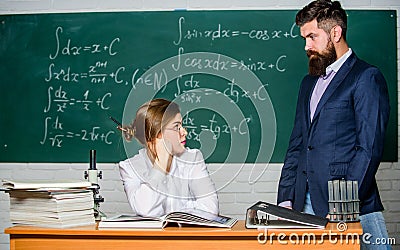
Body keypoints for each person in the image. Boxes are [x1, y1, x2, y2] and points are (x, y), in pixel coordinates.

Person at [277, 1, 391, 249]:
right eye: (304, 38)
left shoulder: (366, 77)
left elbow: (368, 149)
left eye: (312, 37)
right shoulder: (308, 83)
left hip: (352, 205)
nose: (306, 46)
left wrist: (343, 205)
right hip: (303, 204)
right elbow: (297, 145)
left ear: (336, 33)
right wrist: (286, 198)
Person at [119, 98, 219, 217]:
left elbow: (211, 208)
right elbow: (145, 210)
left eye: (182, 126)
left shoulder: (193, 158)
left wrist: (173, 212)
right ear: (157, 134)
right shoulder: (130, 167)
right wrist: (160, 166)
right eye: (176, 127)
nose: (184, 132)